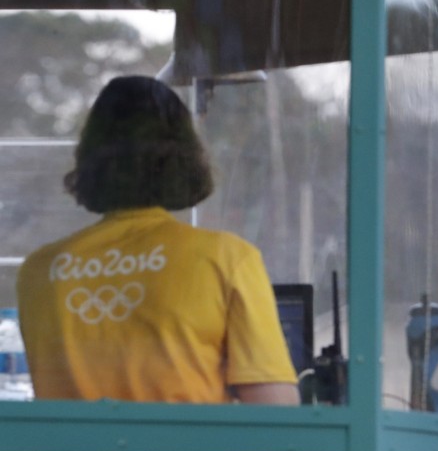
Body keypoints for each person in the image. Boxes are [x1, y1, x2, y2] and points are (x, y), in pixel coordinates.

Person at [17, 75, 298, 405]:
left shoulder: (39, 271)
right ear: (186, 157)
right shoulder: (226, 258)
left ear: (89, 159)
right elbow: (274, 410)